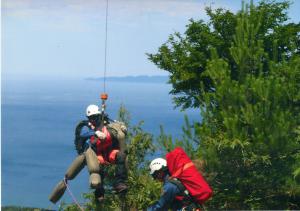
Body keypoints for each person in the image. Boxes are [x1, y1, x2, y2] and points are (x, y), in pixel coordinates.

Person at [79, 104, 128, 202]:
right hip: (97, 154)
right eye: (91, 118)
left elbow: (115, 124)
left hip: (109, 152)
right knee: (98, 169)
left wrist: (122, 126)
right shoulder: (87, 126)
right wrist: (94, 133)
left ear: (99, 116)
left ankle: (120, 183)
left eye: (95, 117)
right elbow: (82, 134)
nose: (93, 120)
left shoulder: (105, 122)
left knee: (121, 156)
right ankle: (99, 193)